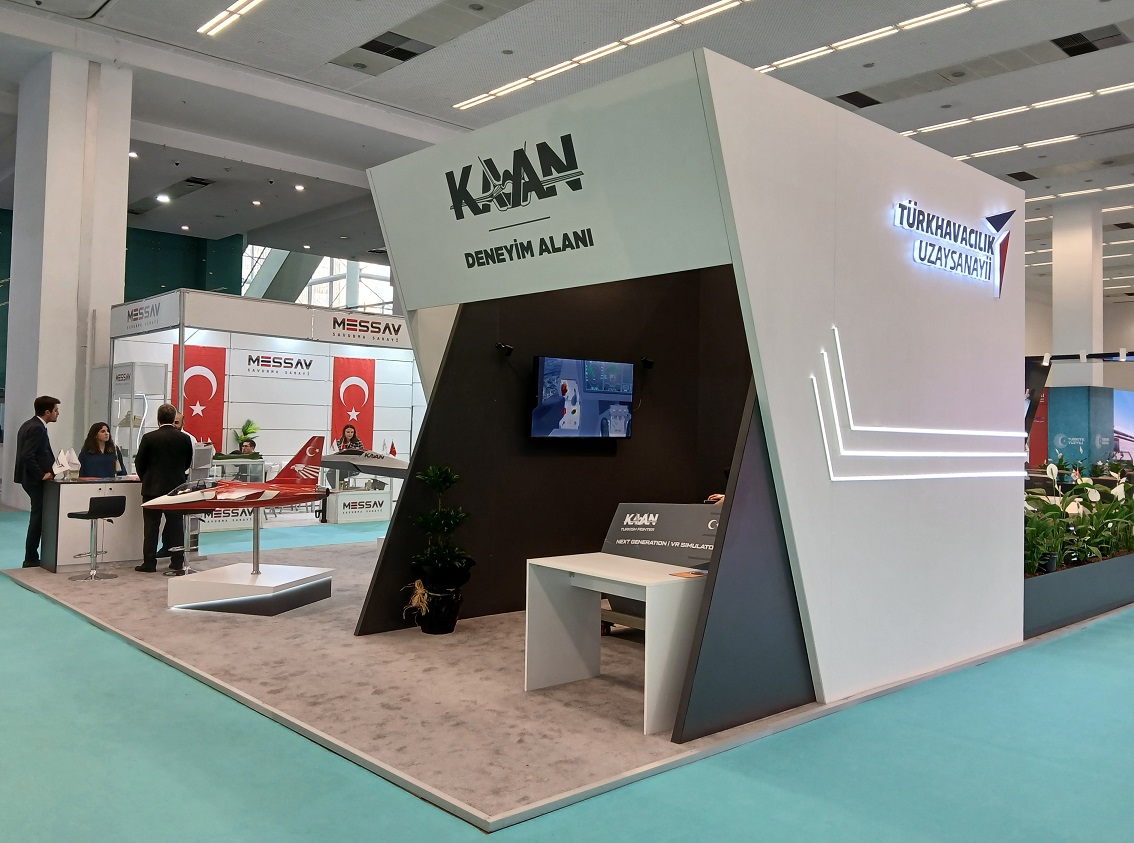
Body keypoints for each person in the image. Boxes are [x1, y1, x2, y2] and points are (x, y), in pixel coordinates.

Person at [134, 403, 193, 574]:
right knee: (176, 526)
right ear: (173, 418)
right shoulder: (184, 438)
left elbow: (139, 463)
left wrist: (146, 478)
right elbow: (187, 462)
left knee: (151, 527)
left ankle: (149, 563)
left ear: (158, 418)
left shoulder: (149, 438)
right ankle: (177, 561)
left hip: (152, 488)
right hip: (176, 488)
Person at [14, 395, 60, 568]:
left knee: (37, 516)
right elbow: (27, 455)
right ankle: (31, 558)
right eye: (55, 410)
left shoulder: (29, 424)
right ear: (47, 412)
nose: (57, 413)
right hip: (34, 480)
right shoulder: (37, 428)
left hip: (29, 479)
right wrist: (41, 474)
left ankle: (32, 556)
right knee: (37, 518)